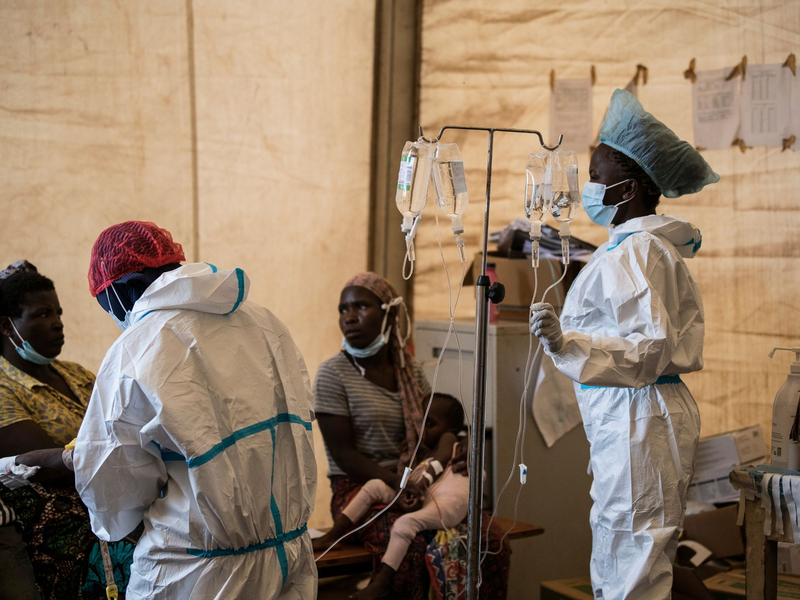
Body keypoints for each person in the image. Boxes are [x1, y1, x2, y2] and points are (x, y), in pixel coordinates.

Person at [529, 89, 718, 600]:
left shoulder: (638, 252)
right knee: (633, 557)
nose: (588, 188)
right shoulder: (632, 250)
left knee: (632, 567)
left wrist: (567, 344)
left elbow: (648, 348)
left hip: (641, 419)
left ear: (629, 186)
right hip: (637, 419)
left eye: (597, 177)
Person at [73, 221, 317, 599]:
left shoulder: (136, 348)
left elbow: (112, 490)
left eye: (108, 305)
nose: (116, 318)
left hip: (193, 571)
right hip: (289, 558)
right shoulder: (266, 323)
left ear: (125, 287)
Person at [315, 272, 509, 600]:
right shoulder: (333, 375)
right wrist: (398, 482)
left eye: (360, 306)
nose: (348, 316)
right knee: (414, 545)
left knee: (487, 539)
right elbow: (344, 454)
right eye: (343, 309)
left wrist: (461, 450)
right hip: (359, 492)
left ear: (389, 313)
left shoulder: (411, 372)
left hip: (419, 481)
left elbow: (438, 427)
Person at [0, 261, 136, 599]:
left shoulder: (77, 374)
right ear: (6, 326)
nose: (58, 323)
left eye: (58, 312)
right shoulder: (3, 386)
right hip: (59, 529)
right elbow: (50, 469)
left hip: (112, 501)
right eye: (42, 314)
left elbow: (126, 426)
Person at [314, 393, 468, 599]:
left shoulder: (447, 440)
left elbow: (438, 463)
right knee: (374, 486)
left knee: (404, 525)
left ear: (451, 431)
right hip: (426, 497)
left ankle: (382, 582)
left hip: (445, 505)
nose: (421, 430)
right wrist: (407, 492)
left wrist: (421, 484)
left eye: (429, 424)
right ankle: (332, 537)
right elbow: (413, 480)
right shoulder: (423, 452)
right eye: (419, 423)